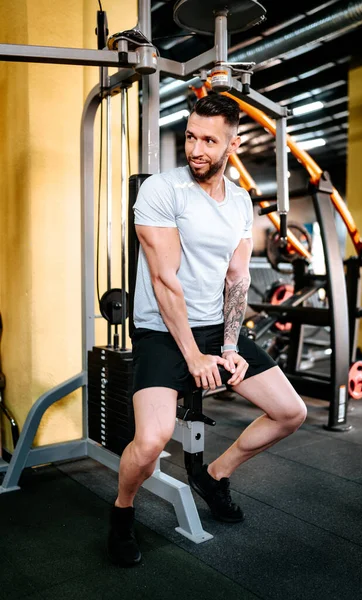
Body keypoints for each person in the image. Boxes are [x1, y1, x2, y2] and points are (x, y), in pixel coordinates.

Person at [107, 93, 307, 567]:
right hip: (161, 328)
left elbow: (237, 280)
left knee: (290, 412)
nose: (196, 148)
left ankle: (215, 474)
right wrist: (194, 356)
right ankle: (122, 511)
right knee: (152, 441)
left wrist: (231, 346)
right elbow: (163, 280)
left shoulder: (240, 203)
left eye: (209, 140)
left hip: (217, 326)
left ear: (231, 145)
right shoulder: (161, 190)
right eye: (192, 136)